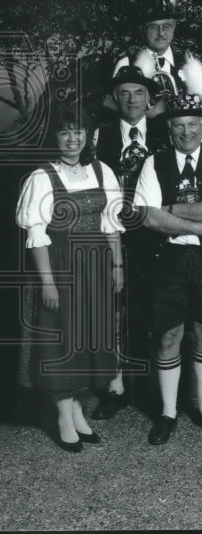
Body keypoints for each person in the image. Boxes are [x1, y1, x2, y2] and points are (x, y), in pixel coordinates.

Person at [133, 87, 202, 445]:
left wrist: (171, 209)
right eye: (179, 126)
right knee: (168, 335)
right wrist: (197, 226)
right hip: (169, 259)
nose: (186, 133)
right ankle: (167, 412)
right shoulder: (154, 162)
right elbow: (148, 219)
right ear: (169, 129)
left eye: (193, 125)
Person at [16, 105, 125, 452]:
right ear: (55, 138)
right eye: (65, 132)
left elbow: (111, 226)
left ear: (88, 136)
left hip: (96, 266)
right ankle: (64, 417)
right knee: (63, 342)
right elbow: (36, 234)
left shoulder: (102, 170)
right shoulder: (41, 177)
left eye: (78, 131)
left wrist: (117, 266)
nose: (72, 138)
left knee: (88, 340)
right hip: (61, 268)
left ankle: (78, 413)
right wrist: (47, 283)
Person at [91, 64, 169, 419]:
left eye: (139, 93)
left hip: (156, 235)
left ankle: (152, 389)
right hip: (113, 235)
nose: (132, 99)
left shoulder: (167, 134)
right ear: (114, 99)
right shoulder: (99, 136)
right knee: (114, 312)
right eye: (124, 92)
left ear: (150, 100)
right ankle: (116, 386)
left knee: (155, 310)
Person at [111, 0, 183, 119]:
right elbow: (114, 112)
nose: (161, 33)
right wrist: (151, 114)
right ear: (143, 29)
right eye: (153, 27)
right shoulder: (127, 64)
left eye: (167, 26)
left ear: (175, 26)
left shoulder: (188, 65)